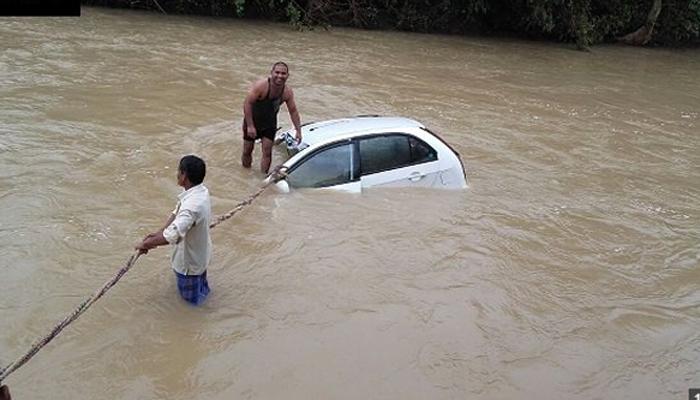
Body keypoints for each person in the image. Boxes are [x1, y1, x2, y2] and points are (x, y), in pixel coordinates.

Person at [136, 155, 212, 306]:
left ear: (184, 176)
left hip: (189, 266)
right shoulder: (200, 192)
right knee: (203, 295)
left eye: (179, 171)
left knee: (191, 308)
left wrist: (146, 244)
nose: (176, 174)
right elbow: (177, 212)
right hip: (200, 257)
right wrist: (158, 233)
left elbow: (173, 235)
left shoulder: (191, 206)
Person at [242, 61, 302, 173]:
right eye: (277, 72)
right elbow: (247, 103)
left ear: (287, 76)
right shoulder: (261, 86)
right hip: (253, 121)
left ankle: (263, 177)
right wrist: (250, 125)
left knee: (267, 152)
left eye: (283, 73)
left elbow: (293, 111)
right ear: (271, 73)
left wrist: (298, 131)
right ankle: (245, 173)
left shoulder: (287, 92)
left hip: (269, 123)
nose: (280, 76)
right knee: (247, 150)